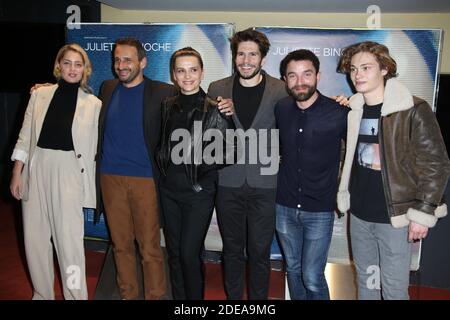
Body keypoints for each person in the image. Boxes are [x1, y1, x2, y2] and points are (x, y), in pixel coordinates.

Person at [337, 41, 450, 299]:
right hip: (360, 215)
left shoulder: (412, 109)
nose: (358, 75)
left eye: (366, 67)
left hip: (395, 218)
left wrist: (423, 214)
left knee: (394, 290)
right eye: (353, 69)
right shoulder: (354, 111)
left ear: (384, 69)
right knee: (366, 284)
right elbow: (349, 158)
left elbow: (436, 163)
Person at [10, 43, 101, 300]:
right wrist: (18, 172)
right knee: (35, 241)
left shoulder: (94, 105)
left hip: (69, 172)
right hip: (36, 168)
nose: (72, 68)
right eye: (67, 63)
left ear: (85, 69)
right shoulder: (39, 95)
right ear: (58, 66)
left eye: (78, 64)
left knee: (69, 245)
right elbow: (25, 136)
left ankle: (75, 296)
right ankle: (42, 294)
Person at [208, 28, 288, 300]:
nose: (246, 60)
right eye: (241, 53)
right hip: (228, 182)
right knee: (231, 250)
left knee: (260, 252)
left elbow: (298, 123)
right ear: (234, 56)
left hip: (265, 184)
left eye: (252, 54)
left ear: (263, 59)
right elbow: (209, 135)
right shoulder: (217, 88)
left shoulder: (281, 90)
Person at [95, 37, 176, 300]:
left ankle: (155, 296)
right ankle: (128, 295)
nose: (121, 65)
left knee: (150, 247)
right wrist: (48, 87)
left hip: (144, 180)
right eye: (117, 60)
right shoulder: (107, 88)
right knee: (120, 245)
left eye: (127, 60)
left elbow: (191, 102)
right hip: (110, 177)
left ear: (143, 62)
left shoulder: (163, 92)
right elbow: (78, 98)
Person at [156, 47, 235, 300]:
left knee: (189, 255)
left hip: (198, 194)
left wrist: (202, 178)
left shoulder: (215, 108)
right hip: (169, 192)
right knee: (175, 254)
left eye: (193, 70)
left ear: (201, 73)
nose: (187, 76)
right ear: (174, 75)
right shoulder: (167, 105)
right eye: (181, 70)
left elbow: (231, 152)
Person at [274, 49, 349, 300]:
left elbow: (357, 156)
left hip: (319, 209)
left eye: (307, 74)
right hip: (283, 206)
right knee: (293, 271)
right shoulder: (281, 109)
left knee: (312, 277)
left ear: (318, 75)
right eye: (292, 76)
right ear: (285, 80)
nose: (300, 81)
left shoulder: (339, 112)